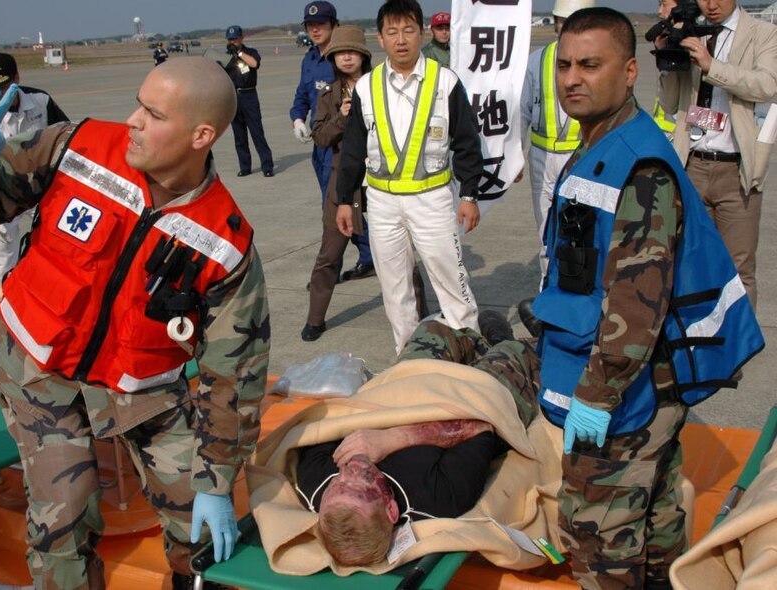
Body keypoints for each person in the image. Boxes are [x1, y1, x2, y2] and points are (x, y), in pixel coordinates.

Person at [0, 58, 271, 590]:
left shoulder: (224, 243)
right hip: (37, 367)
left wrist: (216, 478)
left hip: (141, 390)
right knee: (64, 516)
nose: (133, 120)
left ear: (200, 135)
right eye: (137, 103)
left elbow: (236, 375)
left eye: (153, 113)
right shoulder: (77, 146)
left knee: (201, 525)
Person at [521, 7, 761, 588]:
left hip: (628, 388)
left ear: (629, 72)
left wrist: (595, 399)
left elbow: (636, 306)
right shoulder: (603, 143)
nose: (572, 78)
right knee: (652, 521)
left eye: (590, 65)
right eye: (565, 65)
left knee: (598, 535)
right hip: (637, 380)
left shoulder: (640, 168)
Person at [296, 312, 520, 566]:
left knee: (435, 329)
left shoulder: (315, 482)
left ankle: (477, 343)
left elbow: (333, 419)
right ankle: (502, 343)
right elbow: (482, 425)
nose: (350, 470)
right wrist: (394, 438)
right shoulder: (439, 499)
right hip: (468, 400)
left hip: (403, 394)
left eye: (337, 485)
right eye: (362, 486)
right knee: (522, 355)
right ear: (391, 509)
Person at [336, 0, 485, 354]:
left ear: (420, 34)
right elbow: (354, 150)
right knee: (395, 287)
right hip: (383, 204)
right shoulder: (366, 88)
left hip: (431, 200)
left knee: (450, 279)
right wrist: (346, 200)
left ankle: (471, 350)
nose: (401, 40)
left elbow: (466, 141)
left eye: (408, 30)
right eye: (392, 32)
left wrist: (469, 194)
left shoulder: (444, 81)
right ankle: (408, 356)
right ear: (381, 39)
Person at [302, 25, 428, 342]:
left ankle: (420, 316)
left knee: (403, 251)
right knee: (330, 251)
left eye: (352, 51)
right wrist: (342, 116)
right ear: (332, 58)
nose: (346, 57)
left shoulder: (384, 86)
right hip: (344, 179)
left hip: (385, 177)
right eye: (340, 53)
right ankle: (315, 318)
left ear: (363, 56)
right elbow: (320, 136)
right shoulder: (328, 95)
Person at [657, 0, 777, 311]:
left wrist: (712, 66)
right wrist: (668, 59)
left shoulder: (762, 33)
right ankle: (697, 346)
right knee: (692, 264)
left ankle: (737, 351)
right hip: (693, 164)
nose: (710, 4)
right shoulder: (691, 32)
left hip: (735, 171)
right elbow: (670, 104)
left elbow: (766, 85)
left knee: (738, 269)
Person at [290, 1, 375, 283]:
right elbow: (302, 94)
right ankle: (368, 257)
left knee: (340, 207)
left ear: (334, 26)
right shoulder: (309, 59)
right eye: (310, 26)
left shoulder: (344, 62)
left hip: (343, 148)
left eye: (321, 25)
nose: (315, 30)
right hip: (321, 144)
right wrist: (298, 118)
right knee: (338, 206)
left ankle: (329, 269)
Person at [0, 52, 70, 284]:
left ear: (16, 77)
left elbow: (65, 135)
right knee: (0, 249)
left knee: (59, 238)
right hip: (6, 188)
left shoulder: (41, 101)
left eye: (4, 85)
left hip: (44, 185)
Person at [520, 0, 595, 277]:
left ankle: (581, 291)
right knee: (546, 231)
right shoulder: (537, 60)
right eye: (563, 21)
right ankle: (548, 287)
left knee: (584, 229)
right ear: (554, 22)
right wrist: (515, 155)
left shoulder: (596, 63)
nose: (567, 29)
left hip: (584, 156)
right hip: (542, 158)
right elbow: (522, 111)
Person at [224, 25, 275, 178]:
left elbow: (254, 64)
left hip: (249, 96)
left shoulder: (250, 52)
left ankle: (267, 166)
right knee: (239, 136)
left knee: (257, 133)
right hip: (233, 97)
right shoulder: (225, 56)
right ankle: (245, 167)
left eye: (235, 39)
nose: (233, 42)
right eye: (230, 39)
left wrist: (239, 53)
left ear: (241, 38)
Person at [649, 0, 678, 136]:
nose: (660, 11)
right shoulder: (666, 42)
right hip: (670, 132)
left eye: (664, 4)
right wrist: (662, 52)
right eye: (659, 5)